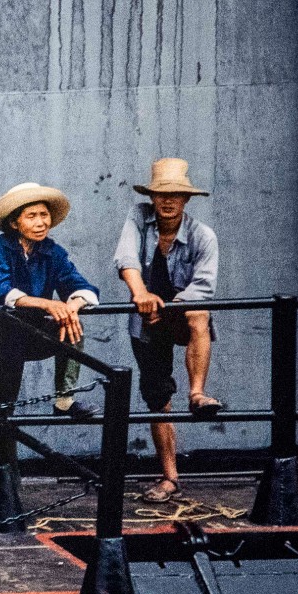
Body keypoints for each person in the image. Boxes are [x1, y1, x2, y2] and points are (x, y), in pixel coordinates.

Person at [0, 183, 101, 480]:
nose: (41, 222)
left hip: (30, 333)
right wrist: (47, 303)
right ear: (15, 222)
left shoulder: (52, 252)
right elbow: (0, 289)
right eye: (31, 216)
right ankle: (1, 480)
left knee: (72, 324)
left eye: (44, 215)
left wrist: (72, 305)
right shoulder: (0, 248)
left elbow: (81, 286)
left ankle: (64, 400)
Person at [113, 158, 220, 503]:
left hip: (180, 313)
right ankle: (170, 478)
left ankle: (197, 394)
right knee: (157, 397)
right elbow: (126, 259)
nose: (168, 200)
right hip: (146, 318)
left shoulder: (203, 236)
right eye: (161, 194)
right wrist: (141, 295)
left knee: (199, 313)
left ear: (186, 199)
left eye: (175, 194)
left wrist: (168, 308)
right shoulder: (138, 217)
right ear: (152, 197)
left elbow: (203, 287)